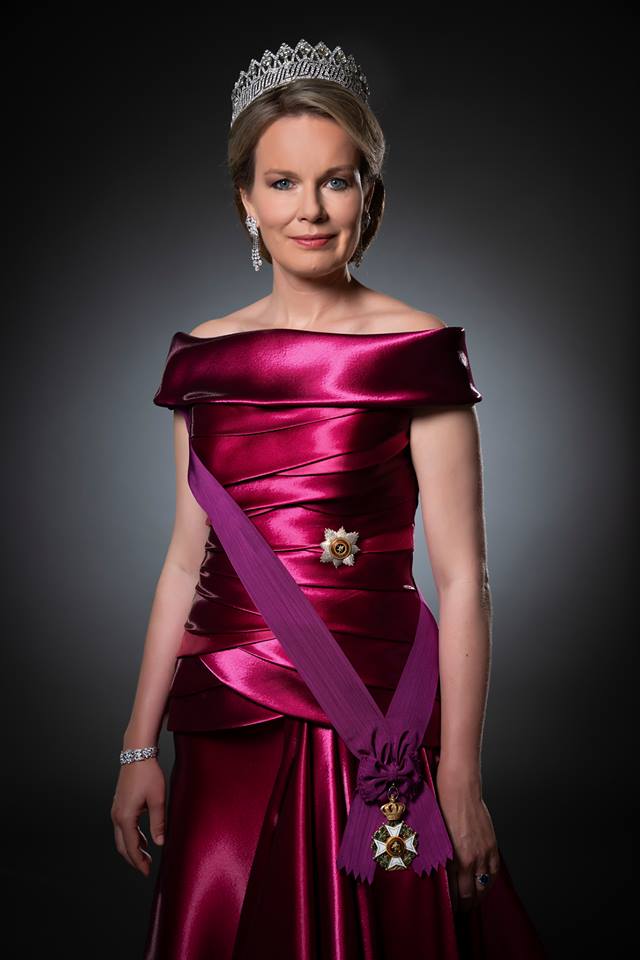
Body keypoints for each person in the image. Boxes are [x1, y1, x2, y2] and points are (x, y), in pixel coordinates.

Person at [111, 39, 547, 959]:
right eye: (282, 182)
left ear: (369, 196)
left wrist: (461, 775)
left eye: (335, 182)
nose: (308, 210)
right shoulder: (201, 361)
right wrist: (138, 745)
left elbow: (463, 578)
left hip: (375, 718)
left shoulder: (416, 352)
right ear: (246, 197)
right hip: (225, 714)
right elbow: (185, 564)